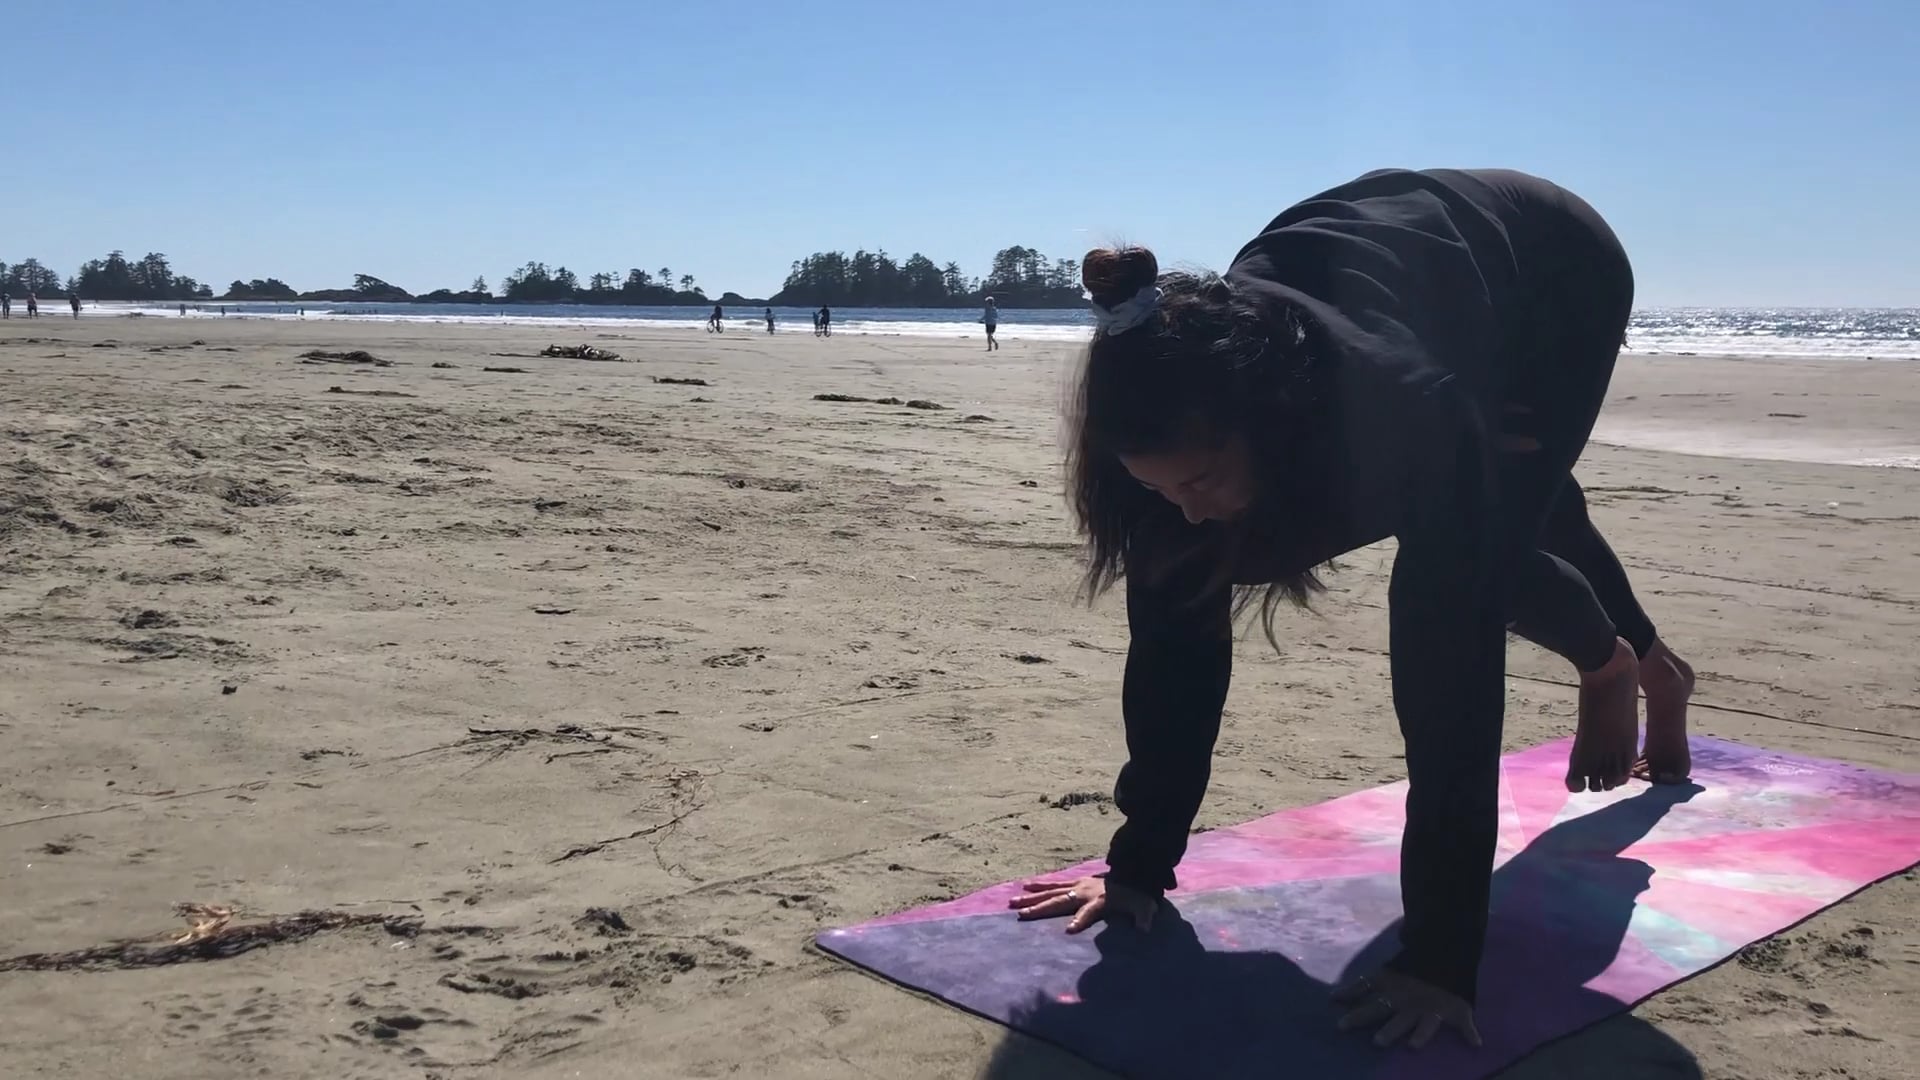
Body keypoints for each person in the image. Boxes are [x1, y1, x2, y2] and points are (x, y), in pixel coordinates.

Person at [1007, 168, 1696, 1051]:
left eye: (1204, 479)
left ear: (1270, 425)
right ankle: (1650, 663)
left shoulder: (1396, 425)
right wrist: (1139, 868)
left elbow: (1449, 697)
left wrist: (1443, 961)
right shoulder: (1164, 427)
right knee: (1511, 504)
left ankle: (1613, 668)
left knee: (1477, 552)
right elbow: (1172, 665)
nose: (1184, 508)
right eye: (1158, 485)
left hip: (1551, 273)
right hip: (1406, 282)